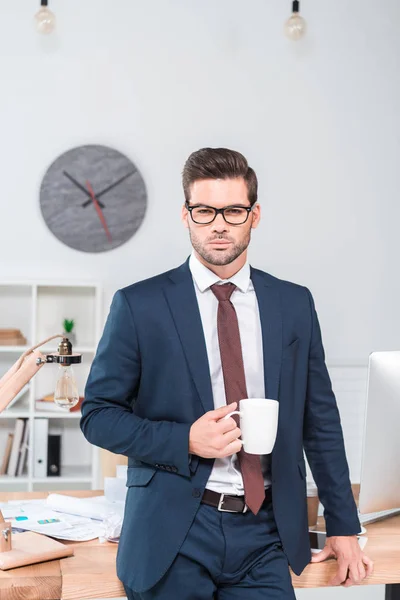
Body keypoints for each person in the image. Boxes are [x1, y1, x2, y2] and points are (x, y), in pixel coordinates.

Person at [80, 147, 373, 599]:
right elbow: (97, 414)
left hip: (266, 532)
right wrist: (185, 441)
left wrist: (343, 525)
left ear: (254, 216)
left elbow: (321, 421)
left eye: (233, 210)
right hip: (173, 531)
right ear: (186, 215)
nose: (218, 224)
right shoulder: (139, 305)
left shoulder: (293, 304)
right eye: (204, 211)